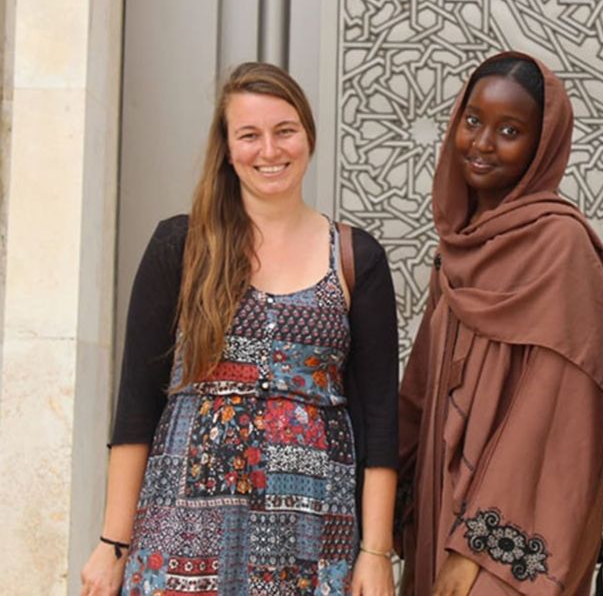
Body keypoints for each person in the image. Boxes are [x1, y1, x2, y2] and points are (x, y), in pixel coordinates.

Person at [79, 62, 399, 596]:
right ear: (228, 150)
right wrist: (113, 543)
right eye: (249, 135)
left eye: (285, 131)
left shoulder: (354, 257)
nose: (269, 151)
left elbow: (381, 418)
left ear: (308, 137)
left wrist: (376, 552)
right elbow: (136, 405)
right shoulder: (180, 248)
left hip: (315, 526)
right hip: (182, 526)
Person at [397, 51, 603, 595]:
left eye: (510, 130)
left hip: (508, 535)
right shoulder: (458, 249)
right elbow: (420, 388)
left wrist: (475, 549)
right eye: (473, 120)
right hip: (443, 503)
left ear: (542, 145)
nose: (482, 143)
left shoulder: (560, 247)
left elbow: (553, 418)